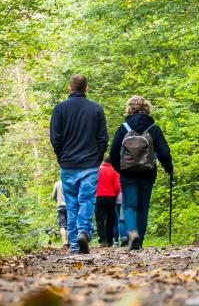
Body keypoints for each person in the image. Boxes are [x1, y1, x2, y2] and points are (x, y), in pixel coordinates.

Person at [50, 74, 108, 254]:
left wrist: (62, 156)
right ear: (86, 88)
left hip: (68, 164)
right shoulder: (96, 109)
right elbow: (103, 138)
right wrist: (97, 158)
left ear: (70, 88)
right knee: (87, 200)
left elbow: (55, 138)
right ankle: (84, 230)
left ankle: (75, 244)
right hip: (90, 164)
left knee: (72, 203)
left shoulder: (59, 109)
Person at [109, 95, 173, 250]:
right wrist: (169, 168)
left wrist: (120, 169)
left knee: (129, 206)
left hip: (128, 173)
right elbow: (164, 152)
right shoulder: (153, 129)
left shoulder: (123, 128)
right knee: (143, 207)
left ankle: (132, 233)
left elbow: (113, 152)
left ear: (130, 108)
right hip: (148, 172)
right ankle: (140, 241)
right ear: (146, 108)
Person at [95, 157, 120, 247]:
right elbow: (117, 187)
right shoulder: (114, 171)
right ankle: (110, 239)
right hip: (111, 197)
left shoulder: (97, 170)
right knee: (110, 219)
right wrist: (115, 195)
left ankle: (103, 239)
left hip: (99, 197)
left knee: (100, 219)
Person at [52, 180, 68, 248]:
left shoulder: (57, 183)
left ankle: (64, 242)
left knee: (62, 225)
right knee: (71, 224)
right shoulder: (70, 182)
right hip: (70, 206)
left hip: (60, 206)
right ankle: (71, 241)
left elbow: (53, 195)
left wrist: (57, 200)